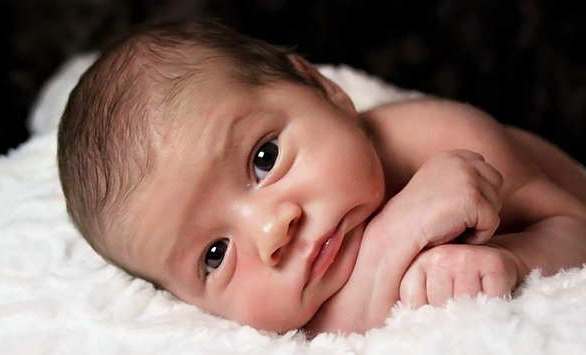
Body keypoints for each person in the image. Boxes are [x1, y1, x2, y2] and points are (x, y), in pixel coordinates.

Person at [57, 19, 586, 336]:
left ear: (323, 89)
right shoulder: (273, 320)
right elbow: (323, 329)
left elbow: (574, 223)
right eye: (213, 255)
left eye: (264, 158)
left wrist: (513, 258)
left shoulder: (446, 139)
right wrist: (394, 237)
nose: (271, 232)